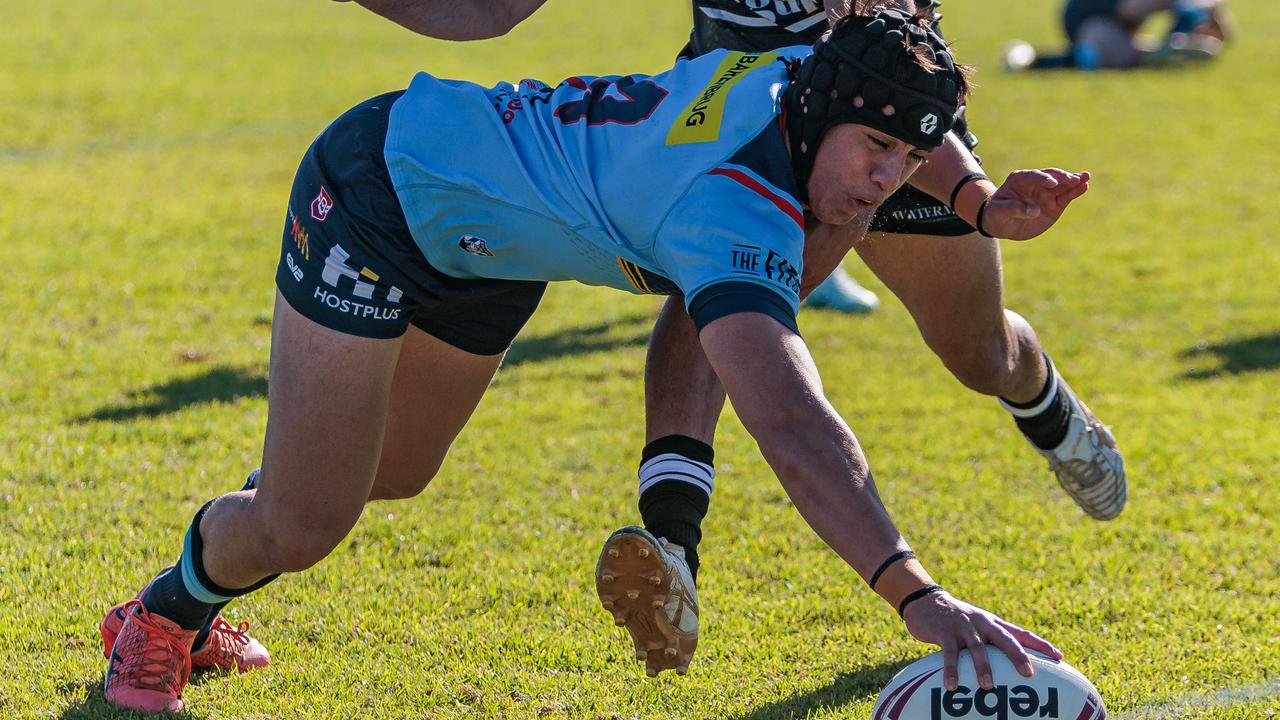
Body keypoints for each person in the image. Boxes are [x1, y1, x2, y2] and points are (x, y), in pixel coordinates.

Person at [99, 10, 1091, 713]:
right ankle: (158, 619)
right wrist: (917, 597)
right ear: (829, 111)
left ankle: (235, 551)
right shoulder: (726, 205)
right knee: (305, 522)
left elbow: (898, 107)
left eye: (903, 161)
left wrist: (972, 197)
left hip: (488, 244)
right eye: (871, 149)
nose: (882, 182)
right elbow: (791, 425)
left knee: (388, 476)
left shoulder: (794, 84)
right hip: (380, 191)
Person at [599, 0, 1127, 679]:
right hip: (740, 100)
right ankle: (672, 548)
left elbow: (892, 53)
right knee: (717, 284)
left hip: (888, 117)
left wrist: (979, 200)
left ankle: (1050, 410)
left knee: (979, 355)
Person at [1002, 0, 1233, 71]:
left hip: (1102, 25)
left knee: (1132, 58)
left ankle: (1032, 60)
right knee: (1113, 58)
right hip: (1090, 21)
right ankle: (1031, 60)